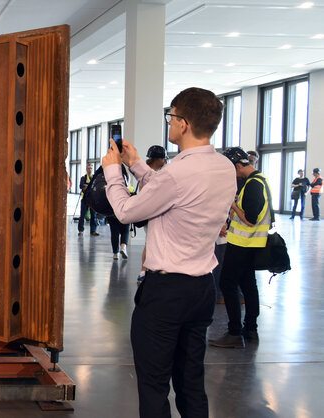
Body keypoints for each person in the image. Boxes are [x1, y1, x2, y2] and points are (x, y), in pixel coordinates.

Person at [103, 87, 236, 417]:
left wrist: (112, 171)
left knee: (154, 385)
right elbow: (172, 193)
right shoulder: (224, 168)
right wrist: (135, 164)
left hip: (166, 294)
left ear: (184, 123)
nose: (169, 123)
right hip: (202, 287)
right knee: (191, 382)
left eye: (171, 116)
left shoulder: (177, 173)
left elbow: (125, 211)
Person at [210, 147, 273, 349]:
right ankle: (250, 330)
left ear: (238, 166)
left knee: (228, 284)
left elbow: (251, 219)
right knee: (248, 284)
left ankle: (235, 332)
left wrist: (233, 204)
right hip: (250, 243)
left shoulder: (254, 184)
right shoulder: (260, 180)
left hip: (243, 243)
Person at [136, 146, 168, 282]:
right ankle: (145, 271)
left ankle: (145, 271)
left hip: (149, 213)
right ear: (159, 159)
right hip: (153, 214)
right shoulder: (152, 175)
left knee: (149, 242)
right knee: (151, 243)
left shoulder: (145, 173)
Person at [77, 164, 99, 236]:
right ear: (86, 169)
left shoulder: (94, 178)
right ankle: (81, 230)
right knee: (82, 215)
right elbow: (82, 186)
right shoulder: (83, 178)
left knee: (94, 215)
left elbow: (95, 187)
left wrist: (87, 186)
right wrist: (88, 187)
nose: (90, 170)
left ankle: (93, 230)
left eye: (91, 168)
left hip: (93, 199)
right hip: (85, 199)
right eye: (88, 168)